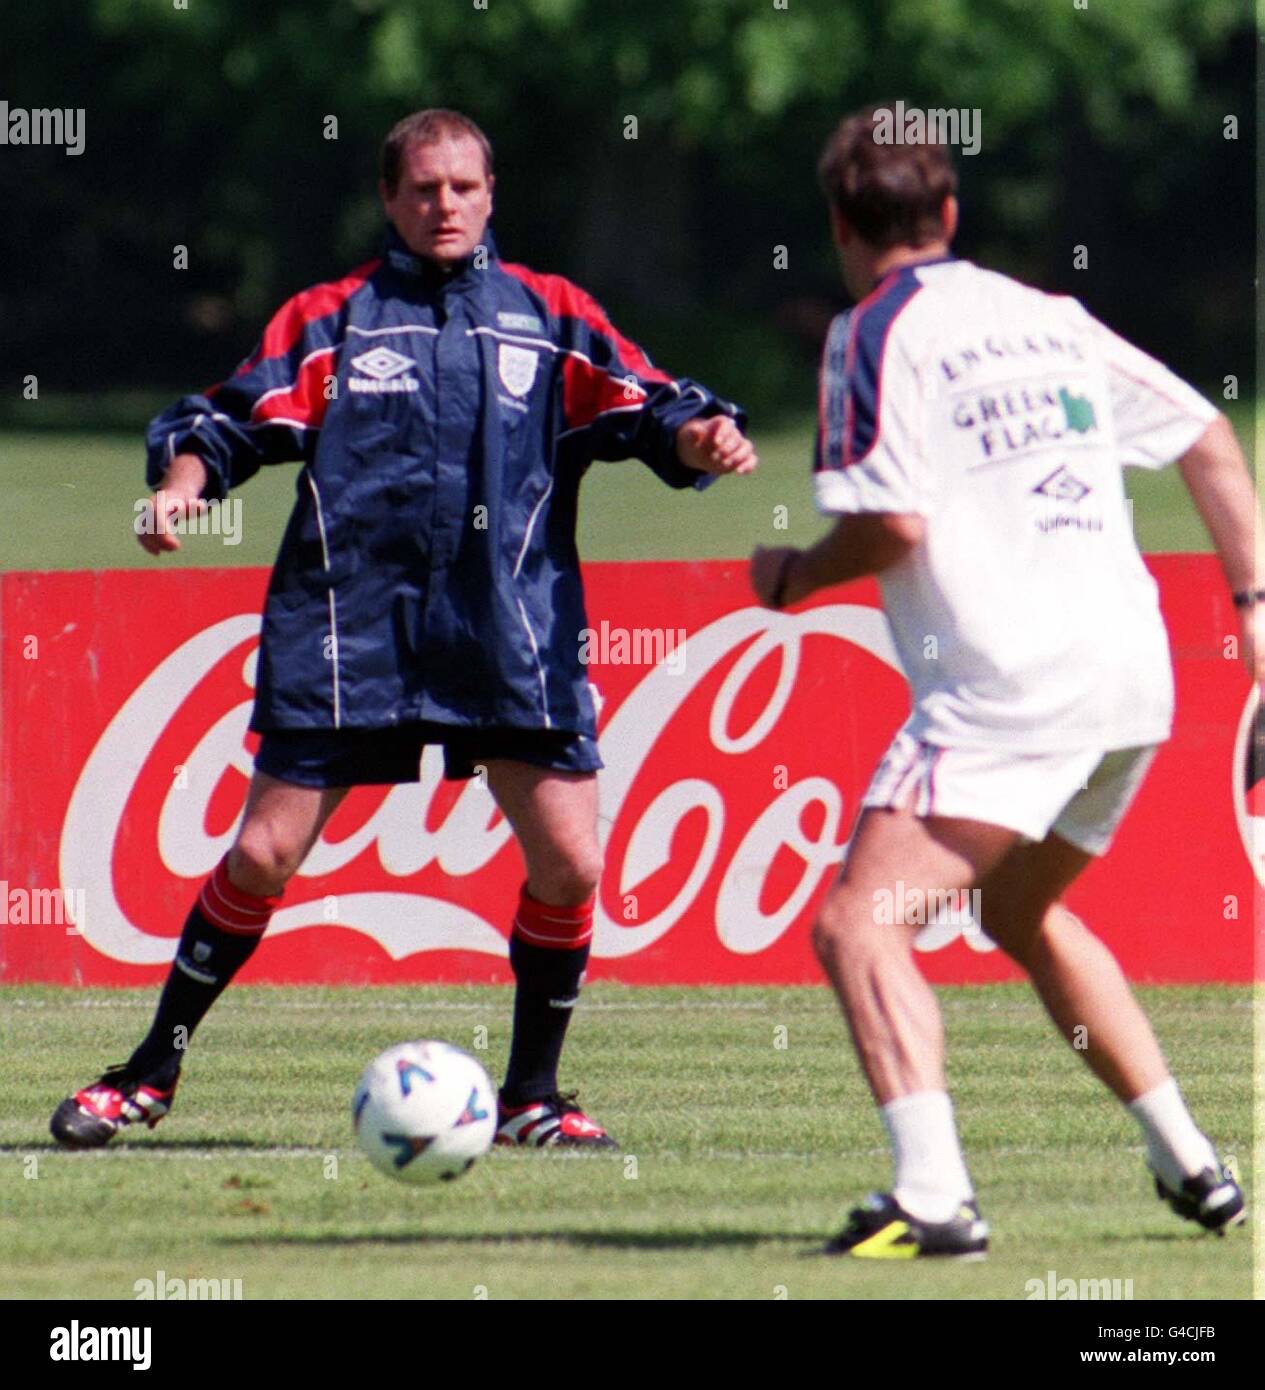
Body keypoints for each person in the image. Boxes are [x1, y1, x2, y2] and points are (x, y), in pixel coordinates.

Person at [52, 108, 756, 1155]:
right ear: (389, 198)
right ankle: (147, 1073)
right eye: (424, 189)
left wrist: (700, 435)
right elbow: (228, 419)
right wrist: (181, 487)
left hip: (506, 629)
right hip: (350, 629)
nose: (445, 206)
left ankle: (530, 1096)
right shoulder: (333, 318)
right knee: (261, 852)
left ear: (489, 194)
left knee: (570, 863)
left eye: (463, 187)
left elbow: (653, 405)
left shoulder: (547, 315)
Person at [750, 104, 1253, 1256]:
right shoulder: (1048, 315)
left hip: (1007, 682)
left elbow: (888, 524)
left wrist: (790, 576)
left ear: (837, 223)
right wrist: (1255, 611)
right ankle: (1189, 1159)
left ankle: (931, 1194)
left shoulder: (868, 332)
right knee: (1015, 908)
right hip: (1132, 673)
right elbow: (1206, 439)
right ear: (949, 213)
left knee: (858, 927)